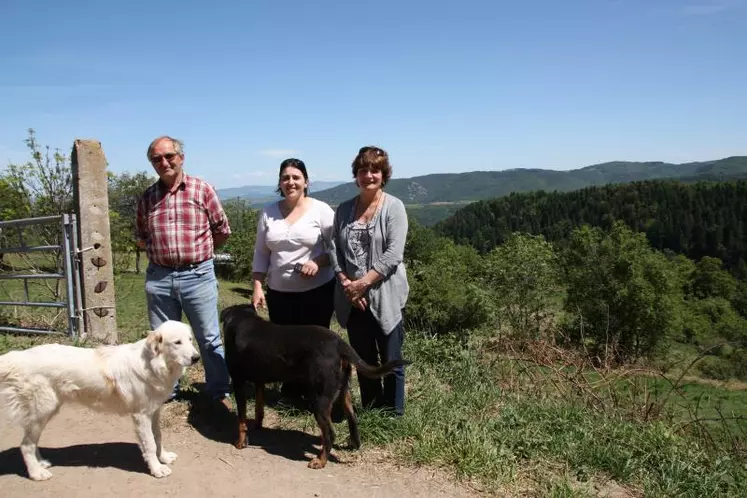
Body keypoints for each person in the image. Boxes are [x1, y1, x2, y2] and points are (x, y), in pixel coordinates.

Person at [136, 135, 232, 410]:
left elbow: (222, 230)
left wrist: (199, 254)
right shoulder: (147, 197)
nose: (164, 162)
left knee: (209, 338)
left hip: (197, 275)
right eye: (157, 159)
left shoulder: (202, 190)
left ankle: (218, 390)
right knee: (161, 339)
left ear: (181, 157)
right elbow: (141, 236)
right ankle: (167, 390)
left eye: (169, 156)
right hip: (160, 277)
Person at [330, 146, 409, 417]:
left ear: (383, 174)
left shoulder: (394, 207)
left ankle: (395, 415)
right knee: (363, 360)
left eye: (374, 170)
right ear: (356, 175)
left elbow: (394, 254)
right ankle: (373, 411)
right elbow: (334, 249)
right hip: (353, 300)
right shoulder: (343, 210)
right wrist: (347, 284)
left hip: (385, 295)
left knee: (391, 359)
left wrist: (363, 283)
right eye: (363, 170)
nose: (368, 175)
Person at [251, 158, 336, 402]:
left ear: (306, 182)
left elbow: (337, 249)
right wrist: (257, 285)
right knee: (284, 346)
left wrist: (317, 262)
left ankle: (316, 393)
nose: (291, 182)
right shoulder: (268, 212)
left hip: (317, 291)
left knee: (314, 346)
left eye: (296, 177)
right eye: (286, 177)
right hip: (279, 291)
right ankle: (290, 393)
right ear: (280, 182)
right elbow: (261, 252)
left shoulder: (321, 210)